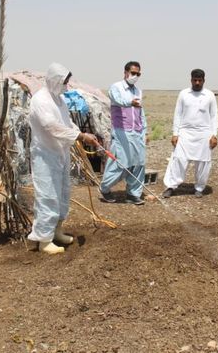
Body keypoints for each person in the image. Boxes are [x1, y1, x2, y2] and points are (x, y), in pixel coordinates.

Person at [28, 63, 99, 255]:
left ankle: (56, 231)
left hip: (61, 153)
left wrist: (81, 133)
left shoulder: (59, 100)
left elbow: (67, 123)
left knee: (62, 193)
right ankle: (44, 240)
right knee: (47, 196)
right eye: (64, 81)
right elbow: (51, 126)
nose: (66, 85)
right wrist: (80, 137)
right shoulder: (40, 100)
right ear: (54, 80)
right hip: (45, 155)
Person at [162, 69, 218, 198]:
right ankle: (171, 186)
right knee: (178, 160)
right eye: (195, 80)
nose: (197, 83)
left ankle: (199, 187)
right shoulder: (184, 94)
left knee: (203, 162)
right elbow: (178, 114)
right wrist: (175, 133)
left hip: (204, 133)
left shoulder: (209, 95)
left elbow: (214, 116)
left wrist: (214, 135)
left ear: (204, 80)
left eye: (200, 80)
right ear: (191, 80)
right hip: (185, 132)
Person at [99, 61, 147, 205]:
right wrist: (130, 102)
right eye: (133, 73)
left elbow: (140, 112)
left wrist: (144, 130)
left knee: (139, 163)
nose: (135, 76)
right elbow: (118, 100)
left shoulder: (138, 91)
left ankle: (133, 194)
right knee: (120, 163)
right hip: (121, 132)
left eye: (138, 74)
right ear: (125, 72)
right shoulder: (116, 87)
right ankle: (105, 188)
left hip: (136, 132)